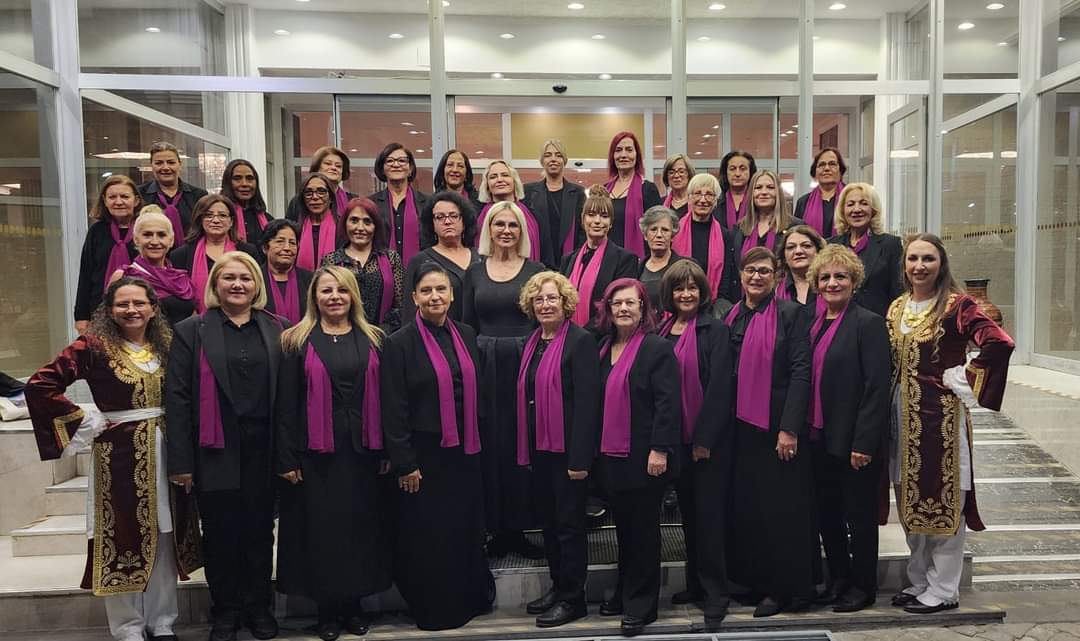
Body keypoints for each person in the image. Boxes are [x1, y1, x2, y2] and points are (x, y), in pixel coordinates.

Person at [26, 278, 202, 641]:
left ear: (154, 308)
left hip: (170, 450)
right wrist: (84, 419)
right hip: (120, 456)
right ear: (109, 310)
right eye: (123, 304)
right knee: (123, 535)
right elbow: (41, 384)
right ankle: (128, 627)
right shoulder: (93, 346)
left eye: (139, 303)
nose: (132, 310)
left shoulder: (168, 344)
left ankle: (163, 621)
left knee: (165, 534)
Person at [886, 234, 1014, 614]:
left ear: (941, 263)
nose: (919, 266)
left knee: (944, 501)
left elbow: (999, 342)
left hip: (940, 421)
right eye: (913, 258)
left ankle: (944, 589)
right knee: (909, 501)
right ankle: (920, 580)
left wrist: (962, 376)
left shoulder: (958, 306)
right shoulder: (896, 307)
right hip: (900, 421)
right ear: (904, 264)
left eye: (928, 258)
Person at [165, 251, 286, 641]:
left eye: (245, 278)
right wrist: (181, 462)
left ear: (257, 285)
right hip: (213, 450)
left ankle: (258, 607)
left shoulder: (277, 328)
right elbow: (178, 398)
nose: (238, 284)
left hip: (263, 449)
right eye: (229, 278)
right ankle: (226, 611)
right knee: (220, 535)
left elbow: (287, 396)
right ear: (215, 284)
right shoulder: (191, 330)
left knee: (259, 533)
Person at [275, 266, 390, 641]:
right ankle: (326, 610)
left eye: (342, 290)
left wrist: (388, 449)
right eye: (326, 290)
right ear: (314, 297)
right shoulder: (295, 340)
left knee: (359, 529)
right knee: (323, 533)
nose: (335, 297)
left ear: (353, 295)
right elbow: (286, 404)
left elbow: (387, 398)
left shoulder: (375, 338)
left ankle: (353, 606)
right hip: (315, 454)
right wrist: (287, 457)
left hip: (363, 452)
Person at [381, 262, 495, 630]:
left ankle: (470, 598)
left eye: (441, 290)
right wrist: (405, 462)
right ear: (414, 297)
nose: (435, 297)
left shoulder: (466, 333)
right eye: (427, 291)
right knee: (431, 534)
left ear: (452, 295)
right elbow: (393, 407)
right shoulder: (398, 343)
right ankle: (437, 608)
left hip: (465, 451)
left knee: (465, 528)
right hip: (424, 456)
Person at [725, 247, 816, 618]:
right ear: (740, 275)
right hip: (742, 428)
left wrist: (789, 428)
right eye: (750, 270)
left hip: (777, 427)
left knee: (782, 511)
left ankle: (785, 589)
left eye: (764, 271)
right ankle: (757, 581)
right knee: (751, 508)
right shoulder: (732, 315)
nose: (756, 277)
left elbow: (801, 372)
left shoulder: (791, 314)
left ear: (777, 276)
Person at [803, 244, 891, 613]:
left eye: (840, 276)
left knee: (859, 516)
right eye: (825, 277)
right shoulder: (812, 324)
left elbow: (877, 387)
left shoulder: (868, 323)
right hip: (818, 437)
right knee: (828, 514)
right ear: (816, 283)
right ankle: (838, 578)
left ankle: (863, 585)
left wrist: (864, 443)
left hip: (854, 440)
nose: (832, 283)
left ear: (854, 281)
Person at [593, 278, 680, 637]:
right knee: (624, 530)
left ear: (644, 308)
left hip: (645, 455)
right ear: (608, 310)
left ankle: (642, 605)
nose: (624, 309)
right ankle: (626, 590)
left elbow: (668, 404)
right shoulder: (602, 348)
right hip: (611, 456)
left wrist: (660, 449)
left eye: (631, 302)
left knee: (643, 532)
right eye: (617, 303)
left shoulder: (657, 348)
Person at [515, 271, 600, 628]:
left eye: (552, 298)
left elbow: (588, 403)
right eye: (539, 299)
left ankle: (573, 598)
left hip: (568, 452)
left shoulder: (580, 341)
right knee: (549, 523)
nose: (545, 304)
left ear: (565, 303)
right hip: (540, 449)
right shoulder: (533, 341)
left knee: (569, 526)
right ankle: (558, 586)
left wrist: (581, 459)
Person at [462, 200, 546, 559]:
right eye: (500, 225)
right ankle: (495, 528)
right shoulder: (474, 273)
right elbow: (466, 325)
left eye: (513, 225)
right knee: (492, 445)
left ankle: (519, 527)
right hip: (485, 367)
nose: (507, 231)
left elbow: (545, 321)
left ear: (522, 231)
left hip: (525, 365)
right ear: (489, 230)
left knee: (521, 444)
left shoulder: (537, 271)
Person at [656, 260, 734, 630]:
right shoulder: (662, 330)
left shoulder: (714, 329)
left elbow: (720, 387)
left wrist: (704, 439)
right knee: (688, 516)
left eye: (692, 287)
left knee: (709, 520)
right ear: (669, 293)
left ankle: (716, 594)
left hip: (706, 444)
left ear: (702, 291)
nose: (686, 294)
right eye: (679, 288)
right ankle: (695, 585)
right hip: (675, 441)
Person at [559, 186, 638, 329]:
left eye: (604, 216)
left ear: (611, 223)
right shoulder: (568, 260)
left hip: (606, 335)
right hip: (568, 334)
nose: (597, 221)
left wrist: (583, 336)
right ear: (583, 220)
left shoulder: (626, 260)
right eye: (591, 214)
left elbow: (618, 305)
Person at [322, 197, 405, 333]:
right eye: (354, 220)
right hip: (343, 336)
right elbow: (325, 305)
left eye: (367, 222)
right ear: (345, 224)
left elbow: (400, 305)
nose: (360, 228)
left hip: (385, 336)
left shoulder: (391, 259)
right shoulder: (331, 261)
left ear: (376, 226)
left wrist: (382, 332)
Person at [168, 194, 260, 314]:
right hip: (197, 320)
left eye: (222, 215)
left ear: (231, 221)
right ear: (200, 220)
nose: (216, 220)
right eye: (208, 215)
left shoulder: (248, 251)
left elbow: (257, 289)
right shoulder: (181, 255)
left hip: (241, 317)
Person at [75, 175, 141, 334]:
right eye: (112, 197)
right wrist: (81, 316)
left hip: (139, 310)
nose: (118, 202)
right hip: (100, 308)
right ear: (104, 201)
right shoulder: (97, 231)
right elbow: (86, 274)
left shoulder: (146, 229)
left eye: (125, 196)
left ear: (136, 200)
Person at [403, 191, 483, 322]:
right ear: (432, 224)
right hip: (437, 332)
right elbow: (409, 314)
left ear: (464, 221)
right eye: (439, 217)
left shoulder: (481, 258)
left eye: (453, 216)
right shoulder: (419, 261)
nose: (447, 221)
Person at [109, 207, 196, 326]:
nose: (155, 241)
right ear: (136, 240)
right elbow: (108, 320)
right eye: (147, 235)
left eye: (161, 235)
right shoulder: (123, 276)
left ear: (171, 241)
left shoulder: (181, 278)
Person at [827, 182, 903, 317]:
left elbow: (898, 292)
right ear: (842, 211)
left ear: (873, 209)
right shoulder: (830, 245)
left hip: (877, 321)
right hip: (838, 321)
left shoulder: (891, 245)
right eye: (850, 204)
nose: (857, 209)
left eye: (864, 203)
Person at [671, 172, 739, 305]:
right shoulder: (674, 230)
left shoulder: (725, 235)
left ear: (716, 201)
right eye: (697, 194)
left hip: (712, 304)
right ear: (689, 198)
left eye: (709, 194)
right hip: (678, 302)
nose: (703, 200)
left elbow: (725, 277)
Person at [477, 159, 552, 267]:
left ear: (514, 181)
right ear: (487, 186)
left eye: (505, 175)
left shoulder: (534, 215)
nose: (499, 180)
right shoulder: (479, 218)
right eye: (493, 177)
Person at [525, 139, 587, 266]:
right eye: (548, 155)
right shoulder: (528, 192)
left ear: (564, 160)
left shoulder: (578, 193)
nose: (553, 159)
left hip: (569, 262)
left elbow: (583, 231)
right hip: (538, 263)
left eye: (558, 155)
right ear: (542, 161)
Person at [369, 142, 432, 265]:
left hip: (421, 268)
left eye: (402, 161)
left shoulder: (428, 203)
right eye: (390, 161)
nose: (396, 165)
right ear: (382, 169)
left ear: (410, 168)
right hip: (380, 269)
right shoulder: (371, 203)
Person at [137, 141, 209, 247]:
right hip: (152, 252)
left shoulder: (198, 195)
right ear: (151, 166)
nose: (165, 167)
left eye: (171, 162)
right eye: (159, 163)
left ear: (180, 164)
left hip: (190, 254)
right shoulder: (139, 195)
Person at [605, 131, 662, 258]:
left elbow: (658, 229)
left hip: (637, 261)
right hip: (606, 260)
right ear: (613, 156)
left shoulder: (648, 189)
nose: (623, 155)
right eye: (618, 150)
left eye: (629, 150)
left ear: (637, 155)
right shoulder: (604, 191)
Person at [732, 169, 802, 258]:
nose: (764, 192)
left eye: (770, 187)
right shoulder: (739, 228)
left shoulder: (796, 226)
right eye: (758, 187)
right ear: (751, 194)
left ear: (778, 193)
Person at [260, 219, 313, 326]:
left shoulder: (310, 279)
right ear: (265, 248)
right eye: (280, 242)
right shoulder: (255, 278)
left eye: (292, 243)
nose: (287, 248)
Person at [286, 146, 356, 221]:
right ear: (316, 168)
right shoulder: (299, 201)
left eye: (338, 166)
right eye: (328, 164)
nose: (334, 168)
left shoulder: (353, 201)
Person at [636, 206, 683, 310]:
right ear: (645, 235)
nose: (659, 235)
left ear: (672, 236)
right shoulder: (635, 269)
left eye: (665, 230)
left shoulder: (684, 266)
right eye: (653, 229)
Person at [794, 148, 846, 238]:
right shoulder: (803, 202)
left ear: (840, 170)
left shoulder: (851, 197)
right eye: (821, 165)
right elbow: (796, 235)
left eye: (832, 164)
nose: (826, 168)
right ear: (815, 172)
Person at [292, 173, 340, 271]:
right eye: (308, 193)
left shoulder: (342, 226)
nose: (315, 197)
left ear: (331, 197)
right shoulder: (295, 229)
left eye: (321, 191)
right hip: (303, 280)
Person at [220, 159, 272, 246]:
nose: (244, 184)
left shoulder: (268, 220)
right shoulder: (218, 218)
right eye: (237, 178)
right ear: (228, 183)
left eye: (249, 178)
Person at [778, 225, 826, 307]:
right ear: (784, 257)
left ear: (819, 252)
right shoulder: (774, 289)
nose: (798, 251)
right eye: (791, 247)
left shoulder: (831, 284)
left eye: (806, 246)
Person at [716, 150, 757, 230]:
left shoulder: (757, 200)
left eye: (743, 169)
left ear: (750, 172)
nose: (737, 174)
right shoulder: (716, 201)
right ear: (725, 172)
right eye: (732, 169)